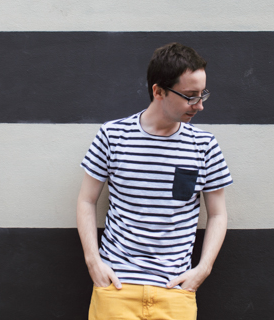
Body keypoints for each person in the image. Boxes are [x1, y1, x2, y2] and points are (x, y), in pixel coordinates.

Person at [77, 42, 232, 320]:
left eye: (202, 94)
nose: (199, 105)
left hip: (175, 292)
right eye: (190, 96)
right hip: (116, 288)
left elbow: (218, 214)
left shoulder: (204, 145)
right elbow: (86, 200)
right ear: (158, 91)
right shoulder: (113, 135)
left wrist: (203, 269)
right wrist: (93, 262)